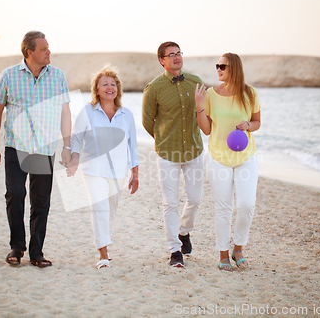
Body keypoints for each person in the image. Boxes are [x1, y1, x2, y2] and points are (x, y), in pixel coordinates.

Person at [0, 31, 72, 268]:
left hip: (44, 148)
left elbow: (65, 112)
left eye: (48, 47)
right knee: (14, 195)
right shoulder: (8, 75)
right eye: (44, 48)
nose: (49, 52)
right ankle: (17, 246)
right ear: (29, 52)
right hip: (16, 147)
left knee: (41, 201)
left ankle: (36, 251)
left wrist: (67, 145)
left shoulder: (58, 76)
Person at [66, 65, 139, 269]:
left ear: (118, 89)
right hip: (93, 170)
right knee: (99, 209)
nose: (109, 87)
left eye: (113, 84)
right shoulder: (87, 111)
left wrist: (135, 173)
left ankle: (103, 243)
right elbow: (76, 139)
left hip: (119, 172)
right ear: (96, 90)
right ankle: (103, 254)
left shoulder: (126, 115)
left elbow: (133, 146)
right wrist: (73, 159)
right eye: (104, 84)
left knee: (111, 212)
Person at [194, 53, 261, 271]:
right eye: (217, 66)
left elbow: (257, 122)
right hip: (218, 157)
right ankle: (223, 254)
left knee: (246, 205)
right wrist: (199, 105)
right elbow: (206, 129)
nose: (218, 69)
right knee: (223, 207)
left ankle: (238, 249)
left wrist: (248, 126)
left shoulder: (249, 93)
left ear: (234, 68)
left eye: (223, 66)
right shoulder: (211, 94)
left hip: (246, 157)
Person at [142, 41, 205, 268]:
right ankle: (174, 250)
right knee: (170, 203)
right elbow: (148, 121)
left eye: (179, 53)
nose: (177, 57)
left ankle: (184, 232)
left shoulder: (196, 82)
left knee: (196, 198)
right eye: (171, 55)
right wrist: (163, 138)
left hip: (194, 150)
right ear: (162, 60)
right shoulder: (154, 88)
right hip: (167, 153)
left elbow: (204, 113)